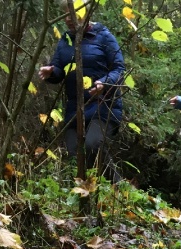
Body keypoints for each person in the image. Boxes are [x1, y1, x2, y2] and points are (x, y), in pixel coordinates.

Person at [39, 2, 125, 180]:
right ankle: (87, 199)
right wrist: (51, 72)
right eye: (66, 15)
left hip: (103, 107)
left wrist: (103, 83)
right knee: (74, 157)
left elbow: (118, 68)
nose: (69, 19)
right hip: (75, 110)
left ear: (86, 13)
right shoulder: (65, 41)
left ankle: (118, 188)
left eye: (73, 14)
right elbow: (59, 69)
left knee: (92, 146)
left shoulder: (103, 36)